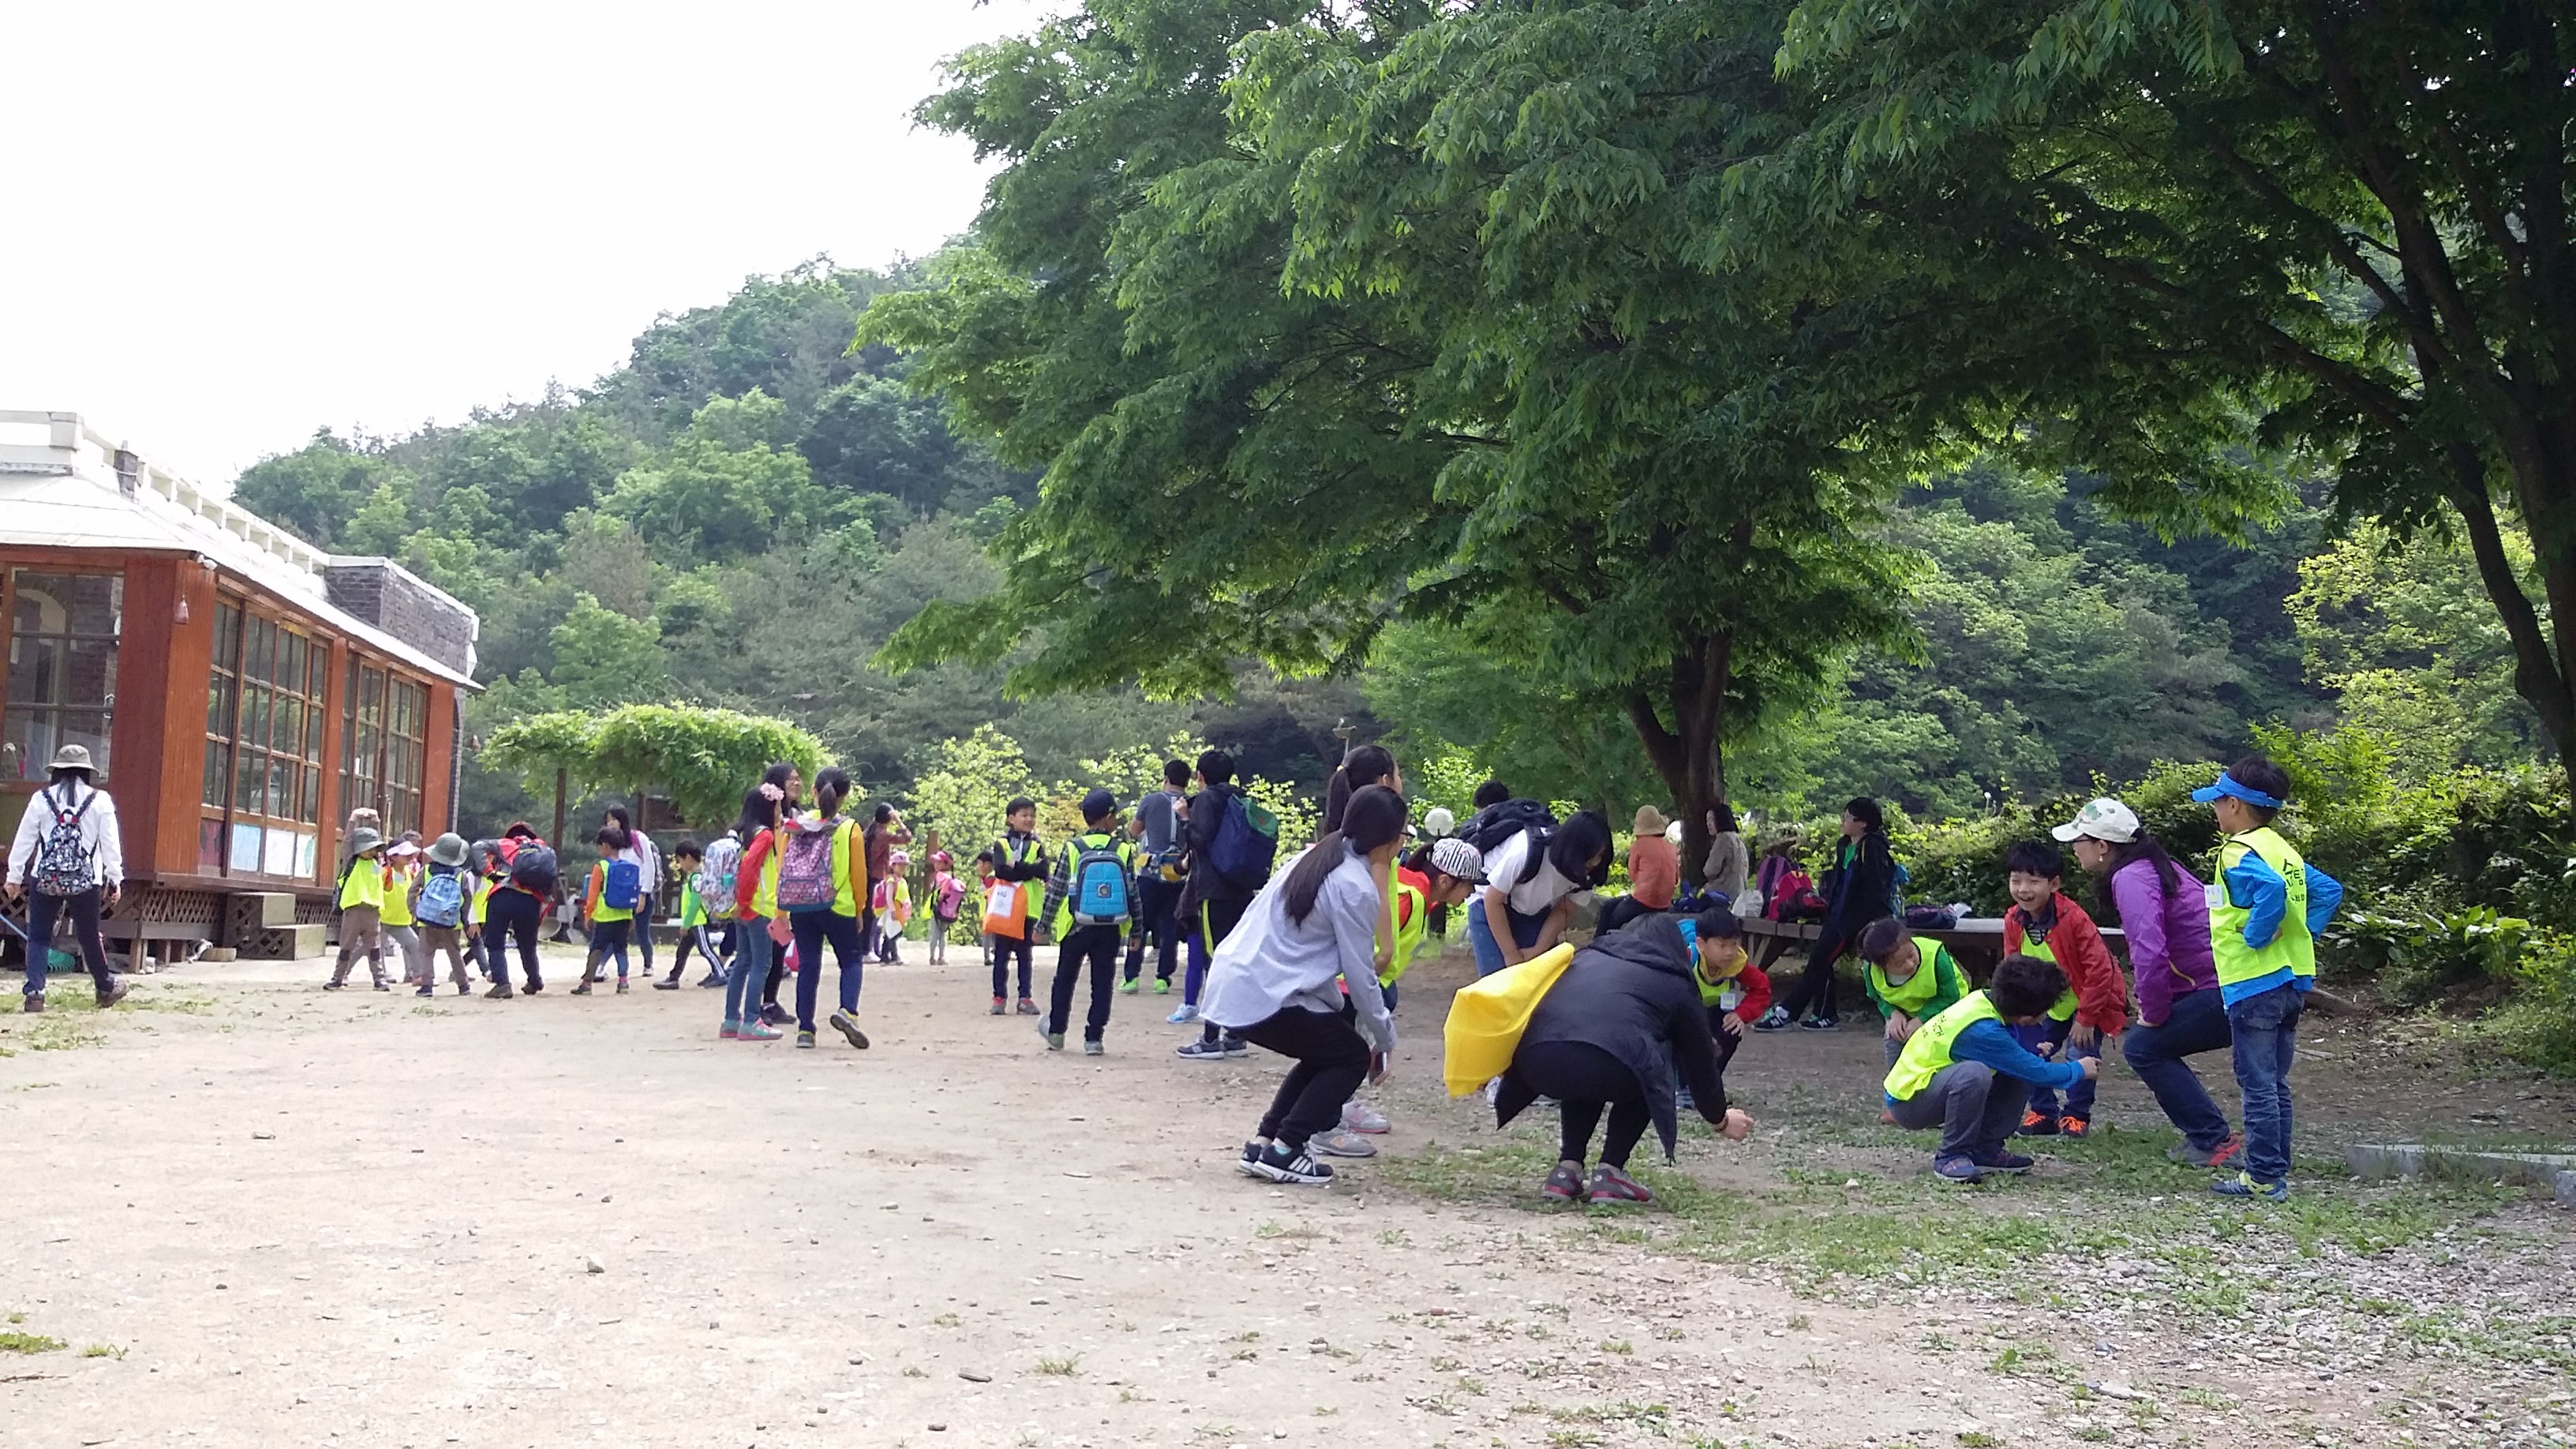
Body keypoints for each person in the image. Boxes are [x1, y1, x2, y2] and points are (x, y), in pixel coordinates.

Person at [1200, 785, 1408, 1186]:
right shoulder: (1355, 885)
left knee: (1325, 1049)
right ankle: (1287, 1149)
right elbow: (1361, 974)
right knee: (1349, 1056)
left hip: (1238, 979)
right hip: (1261, 990)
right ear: (1390, 839)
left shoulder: (1312, 857)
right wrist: (1384, 1039)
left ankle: (1265, 1143)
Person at [1496, 908, 1758, 1206]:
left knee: (1591, 1054)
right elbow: (1699, 1058)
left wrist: (1494, 1063)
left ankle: (1566, 1171)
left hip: (1538, 1062)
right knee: (1649, 1057)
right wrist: (1720, 1119)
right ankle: (1610, 1170)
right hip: (1604, 1065)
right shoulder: (1673, 980)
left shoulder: (1582, 959)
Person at [2053, 798, 2241, 1170]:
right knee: (2148, 1045)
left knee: (2143, 1047)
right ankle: (2216, 1137)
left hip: (2221, 989)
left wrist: (2152, 1013)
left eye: (2080, 840)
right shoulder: (2156, 866)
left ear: (2102, 846)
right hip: (2230, 982)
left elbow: (2150, 951)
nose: (2074, 848)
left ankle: (2212, 1140)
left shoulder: (2131, 878)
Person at [2192, 756, 2345, 1201]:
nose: (2215, 810)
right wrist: (2302, 932)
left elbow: (2271, 893)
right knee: (2275, 1084)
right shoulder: (2283, 849)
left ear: (2236, 805)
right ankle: (2274, 1169)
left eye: (2218, 801)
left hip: (2253, 982)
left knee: (2256, 1084)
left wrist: (2259, 935)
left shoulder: (2238, 851)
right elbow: (2327, 890)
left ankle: (2262, 1177)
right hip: (2293, 982)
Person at [1312, 837, 1486, 1159]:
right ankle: (1325, 1126)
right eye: (1469, 886)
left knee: (1344, 1057)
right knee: (1343, 1060)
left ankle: (1334, 1113)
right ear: (1446, 881)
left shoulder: (1408, 888)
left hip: (1356, 985)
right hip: (1349, 987)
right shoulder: (1411, 900)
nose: (1471, 894)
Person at [1884, 953, 2097, 1183]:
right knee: (1975, 1074)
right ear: (2026, 1017)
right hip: (1908, 1103)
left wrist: (2028, 1050)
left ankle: (1986, 1151)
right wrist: (2079, 1069)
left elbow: (2011, 1052)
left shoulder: (1983, 999)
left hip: (1928, 1086)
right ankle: (1951, 1156)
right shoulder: (1982, 1030)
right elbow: (2038, 1072)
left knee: (2017, 1067)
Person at [2000, 841, 2128, 1139]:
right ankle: (2043, 1113)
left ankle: (2076, 1116)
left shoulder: (2074, 919)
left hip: (2086, 1001)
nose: (2023, 889)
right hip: (2042, 1003)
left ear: (2054, 883)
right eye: (2016, 880)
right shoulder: (2013, 920)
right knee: (2028, 1051)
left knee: (2079, 1052)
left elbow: (2100, 969)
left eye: (2034, 881)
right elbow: (2012, 969)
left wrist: (2086, 1018)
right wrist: (2020, 1012)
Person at [5, 744, 128, 1011]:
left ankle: (35, 993)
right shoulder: (100, 800)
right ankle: (105, 986)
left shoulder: (41, 799)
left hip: (45, 878)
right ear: (87, 772)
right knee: (89, 935)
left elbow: (24, 839)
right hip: (87, 881)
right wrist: (114, 879)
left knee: (38, 937)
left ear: (56, 771)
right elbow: (110, 844)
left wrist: (14, 876)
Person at [1758, 798, 1898, 1032]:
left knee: (1820, 960)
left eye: (1848, 817)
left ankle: (1789, 1012)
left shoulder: (1872, 847)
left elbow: (1876, 888)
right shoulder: (1844, 846)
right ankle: (1823, 1014)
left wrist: (1863, 920)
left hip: (1855, 919)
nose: (1843, 821)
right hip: (1837, 915)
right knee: (1820, 961)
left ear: (1863, 823)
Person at [1175, 751, 1266, 1058]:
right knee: (1236, 961)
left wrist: (1185, 819)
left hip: (1213, 892)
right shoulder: (1239, 798)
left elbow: (1201, 840)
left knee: (1214, 963)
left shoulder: (1205, 801)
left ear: (1200, 775)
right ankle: (1237, 1034)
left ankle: (1210, 1039)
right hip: (1241, 888)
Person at [1037, 789, 1138, 1054]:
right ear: (1107, 818)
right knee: (1102, 983)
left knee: (1065, 979)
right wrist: (1137, 929)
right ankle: (1094, 1038)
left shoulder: (1073, 848)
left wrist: (1042, 925)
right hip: (1110, 927)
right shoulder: (1123, 849)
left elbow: (1057, 889)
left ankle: (1056, 1031)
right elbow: (1132, 893)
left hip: (1075, 925)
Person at [780, 768, 871, 1051]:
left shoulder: (796, 825)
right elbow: (859, 874)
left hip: (801, 903)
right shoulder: (849, 828)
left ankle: (805, 1030)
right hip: (838, 905)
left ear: (814, 792)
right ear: (844, 796)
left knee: (808, 965)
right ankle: (847, 1012)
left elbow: (783, 865)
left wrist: (781, 908)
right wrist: (860, 908)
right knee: (851, 961)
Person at [1463, 810, 1612, 977]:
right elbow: (1493, 900)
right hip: (1488, 902)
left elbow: (1564, 910)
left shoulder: (1589, 875)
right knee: (1497, 980)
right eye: (1592, 855)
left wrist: (1538, 949)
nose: (1596, 862)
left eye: (1601, 856)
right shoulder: (1528, 851)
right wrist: (1511, 954)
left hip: (1532, 910)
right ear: (1576, 848)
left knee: (1536, 977)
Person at [722, 778, 792, 1042]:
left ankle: (731, 1019)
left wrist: (738, 904)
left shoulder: (740, 833)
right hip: (758, 906)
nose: (780, 811)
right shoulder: (764, 836)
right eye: (777, 805)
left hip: (741, 909)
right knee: (761, 964)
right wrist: (744, 901)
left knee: (742, 963)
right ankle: (752, 1020)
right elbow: (751, 868)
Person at [1857, 917, 1970, 1068]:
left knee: (1938, 1052)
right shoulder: (1871, 971)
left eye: (1911, 954)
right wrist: (1893, 1014)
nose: (1909, 965)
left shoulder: (1936, 956)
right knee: (1894, 1039)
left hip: (1947, 1009)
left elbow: (1950, 996)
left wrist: (1921, 1019)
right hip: (1904, 1012)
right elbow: (1877, 996)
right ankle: (1896, 1084)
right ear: (1881, 967)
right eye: (1899, 964)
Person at [1121, 758, 1193, 996]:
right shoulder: (1191, 804)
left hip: (1150, 873)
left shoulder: (1151, 800)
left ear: (1166, 778)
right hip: (1178, 874)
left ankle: (1131, 976)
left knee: (1140, 925)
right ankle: (1163, 978)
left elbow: (1134, 830)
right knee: (1170, 926)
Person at [987, 797, 1047, 1016]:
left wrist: (1019, 867)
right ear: (1011, 819)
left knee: (1025, 955)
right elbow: (1002, 871)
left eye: (1032, 815)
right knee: (1001, 955)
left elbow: (1044, 871)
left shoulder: (1037, 844)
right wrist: (1030, 869)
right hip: (1005, 907)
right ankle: (999, 997)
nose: (1029, 819)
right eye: (1024, 815)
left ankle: (1025, 997)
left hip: (1028, 908)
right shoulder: (1001, 843)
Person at [573, 826, 642, 995]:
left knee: (596, 949)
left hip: (605, 916)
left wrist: (588, 915)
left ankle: (587, 983)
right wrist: (631, 915)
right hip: (625, 915)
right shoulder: (629, 867)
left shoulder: (601, 867)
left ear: (605, 845)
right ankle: (623, 981)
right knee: (621, 949)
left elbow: (593, 895)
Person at [603, 805, 662, 985]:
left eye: (613, 819)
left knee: (642, 930)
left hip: (642, 891)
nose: (611, 823)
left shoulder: (639, 839)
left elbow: (649, 866)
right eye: (608, 820)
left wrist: (644, 893)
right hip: (622, 895)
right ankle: (601, 966)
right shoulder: (613, 844)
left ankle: (648, 963)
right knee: (616, 931)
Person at [1597, 806, 1679, 934]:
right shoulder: (1671, 848)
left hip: (1643, 902)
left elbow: (1633, 875)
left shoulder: (1639, 845)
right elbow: (1676, 879)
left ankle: (1599, 943)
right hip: (1665, 904)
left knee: (1609, 911)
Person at [658, 840, 727, 990]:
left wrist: (686, 924)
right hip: (693, 921)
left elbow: (695, 903)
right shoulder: (695, 877)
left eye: (680, 860)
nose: (680, 864)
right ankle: (674, 977)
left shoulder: (696, 878)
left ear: (688, 858)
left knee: (706, 949)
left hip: (697, 922)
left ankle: (720, 974)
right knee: (682, 951)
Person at [328, 827, 390, 990]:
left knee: (374, 948)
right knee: (346, 947)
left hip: (373, 912)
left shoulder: (376, 864)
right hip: (353, 911)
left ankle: (379, 979)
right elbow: (347, 842)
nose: (372, 852)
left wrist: (402, 879)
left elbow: (388, 876)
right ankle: (338, 978)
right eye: (368, 848)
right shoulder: (351, 862)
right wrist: (354, 818)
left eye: (374, 848)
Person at [414, 833, 477, 997]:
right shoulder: (460, 874)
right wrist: (464, 919)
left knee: (426, 953)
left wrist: (414, 911)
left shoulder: (426, 870)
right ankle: (463, 986)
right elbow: (467, 898)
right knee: (455, 953)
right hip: (451, 921)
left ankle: (427, 986)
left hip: (427, 920)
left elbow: (412, 891)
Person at [380, 838, 427, 995]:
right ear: (393, 857)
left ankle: (417, 974)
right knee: (366, 948)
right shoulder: (384, 872)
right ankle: (344, 972)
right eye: (404, 854)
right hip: (380, 918)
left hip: (400, 920)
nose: (409, 857)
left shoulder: (410, 874)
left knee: (414, 943)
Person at [874, 848, 913, 964]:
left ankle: (886, 956)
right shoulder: (891, 880)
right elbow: (889, 897)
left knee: (892, 933)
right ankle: (893, 956)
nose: (903, 868)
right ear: (893, 865)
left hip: (899, 909)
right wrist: (892, 910)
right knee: (892, 933)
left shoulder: (901, 880)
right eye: (900, 865)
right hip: (893, 909)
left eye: (904, 866)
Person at [1702, 803, 1750, 900]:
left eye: (1712, 819)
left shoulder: (1723, 839)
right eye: (1707, 820)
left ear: (1720, 819)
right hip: (1739, 893)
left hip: (1723, 893)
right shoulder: (1738, 840)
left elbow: (1710, 870)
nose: (1708, 824)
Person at [927, 851, 964, 966]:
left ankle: (932, 956)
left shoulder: (941, 876)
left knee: (934, 933)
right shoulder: (953, 878)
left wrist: (941, 894)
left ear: (946, 864)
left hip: (938, 909)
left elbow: (944, 885)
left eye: (939, 862)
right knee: (942, 935)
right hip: (947, 911)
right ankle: (941, 957)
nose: (936, 864)